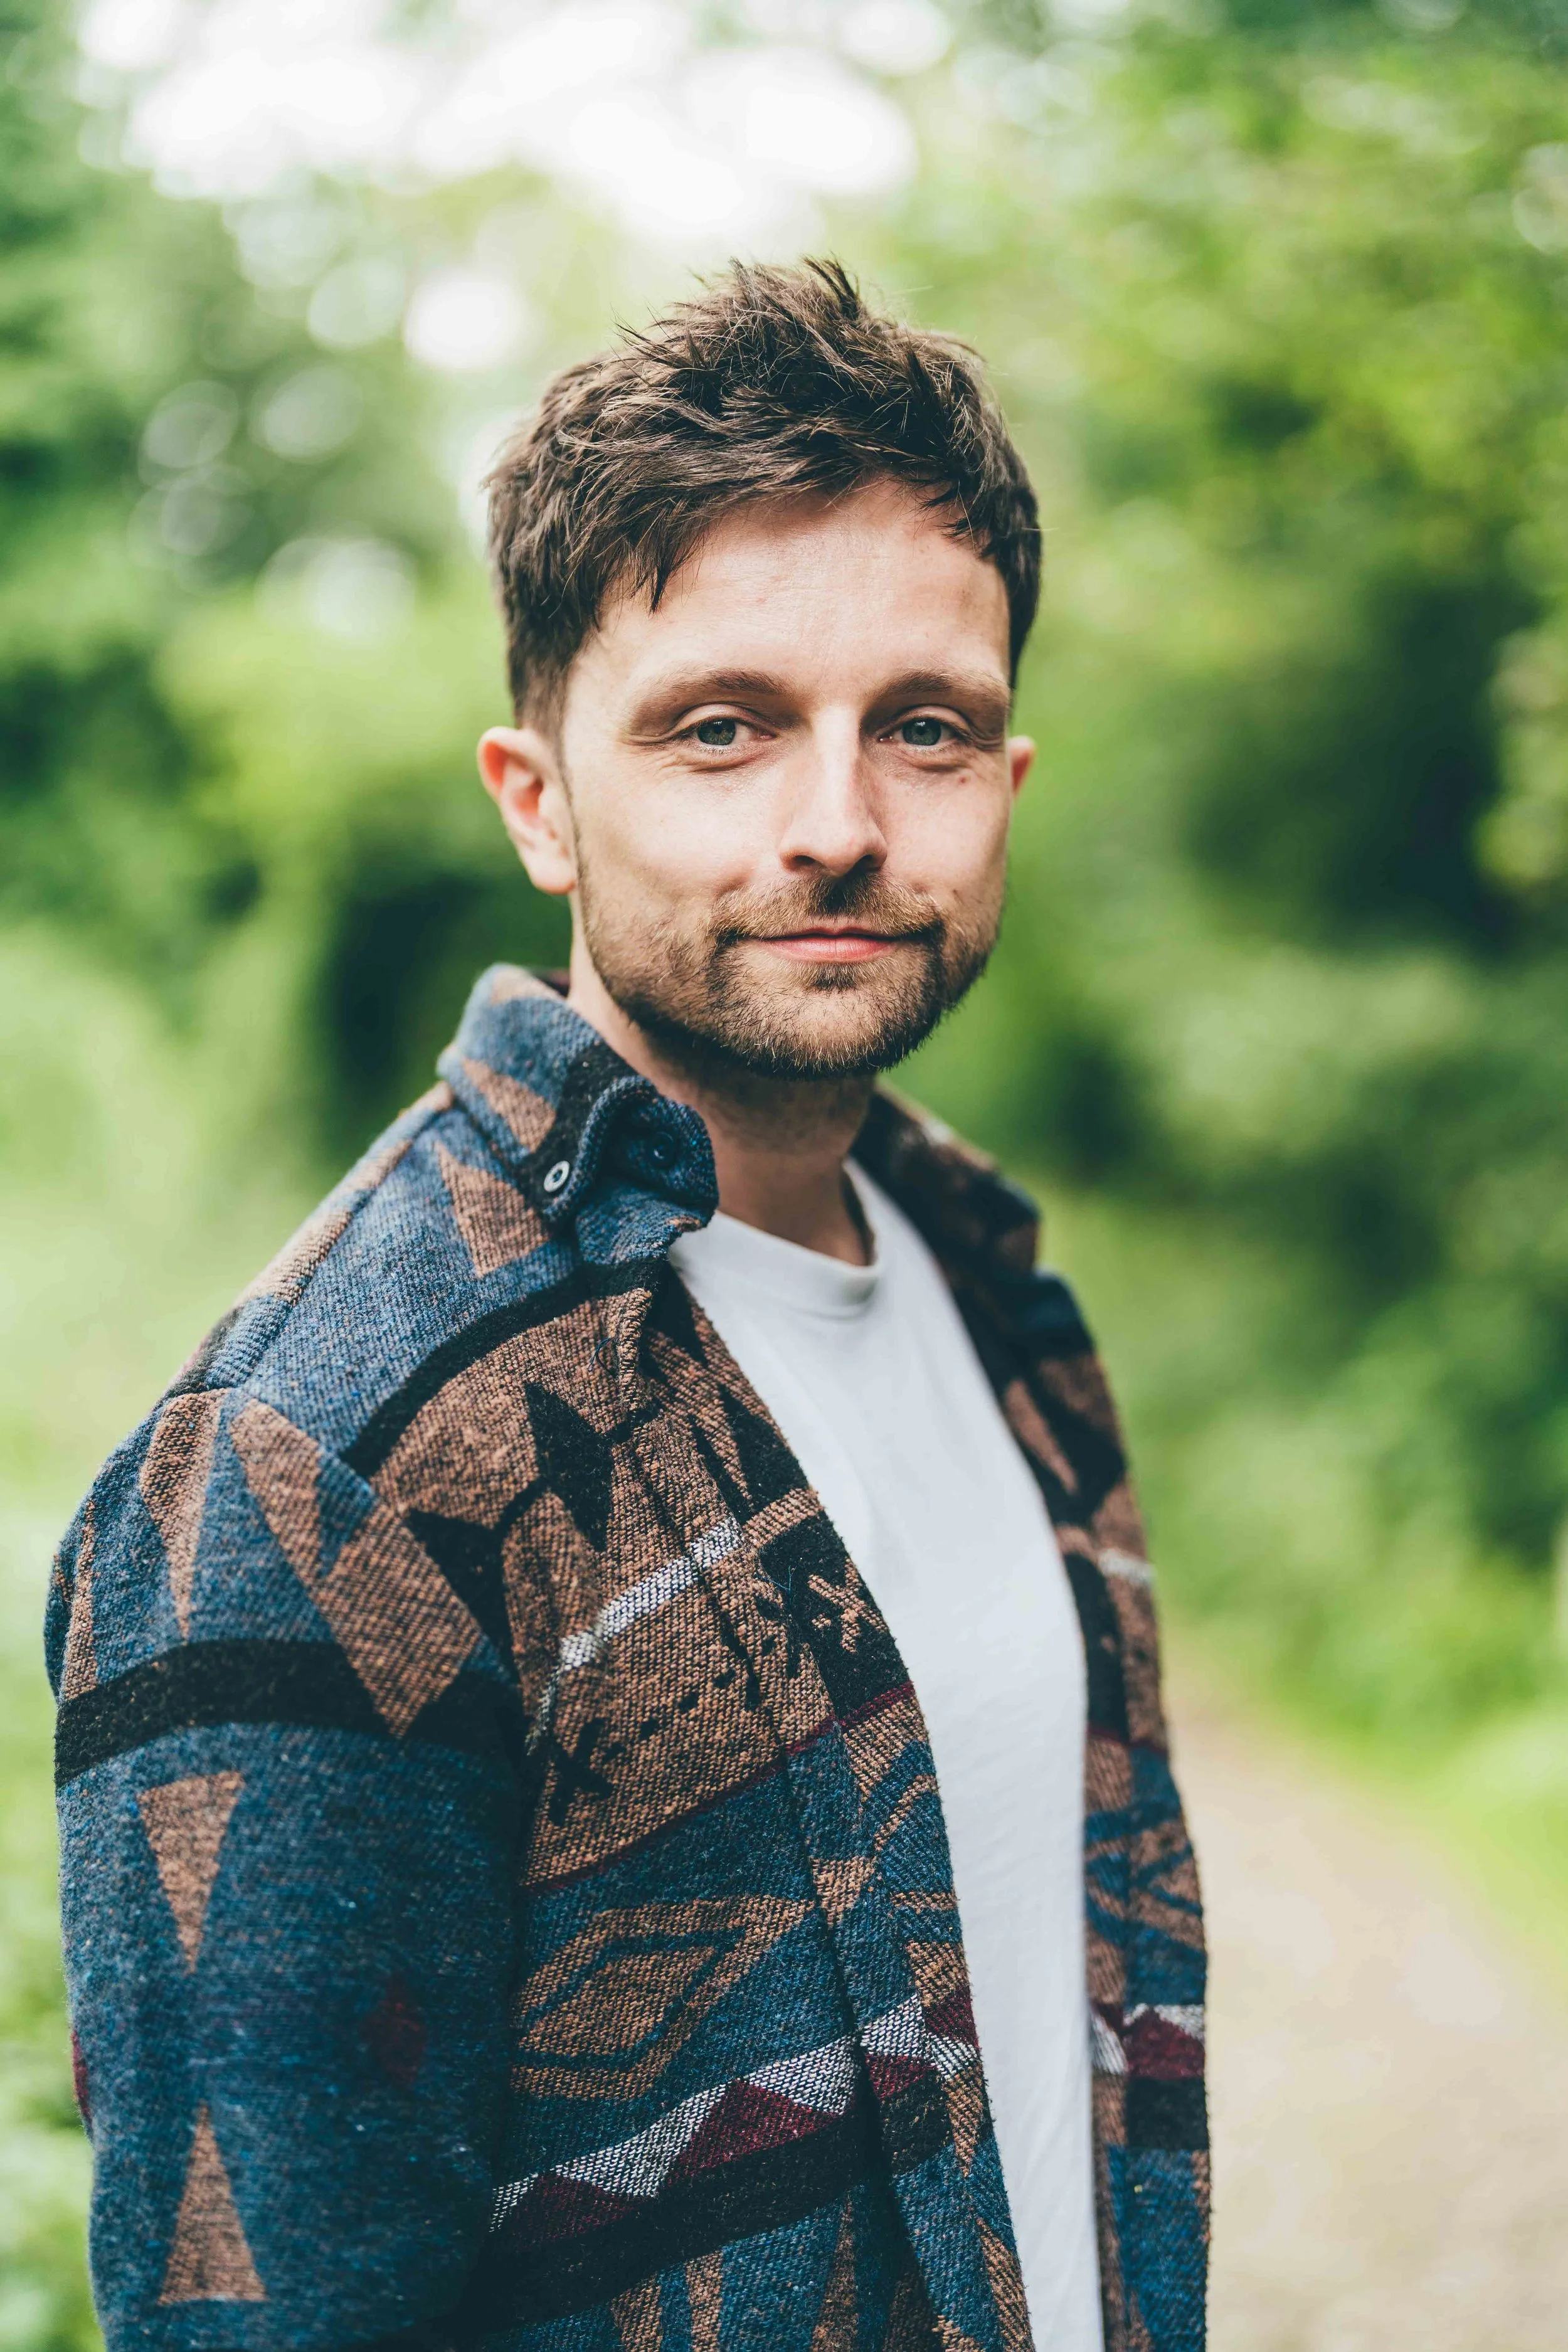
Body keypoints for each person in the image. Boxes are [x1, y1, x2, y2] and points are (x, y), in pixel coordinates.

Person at [48, 260, 1207, 2352]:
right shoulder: (316, 1460)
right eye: (722, 728)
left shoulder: (1005, 1306)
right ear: (537, 799)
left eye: (918, 729)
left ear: (1003, 788)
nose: (837, 821)